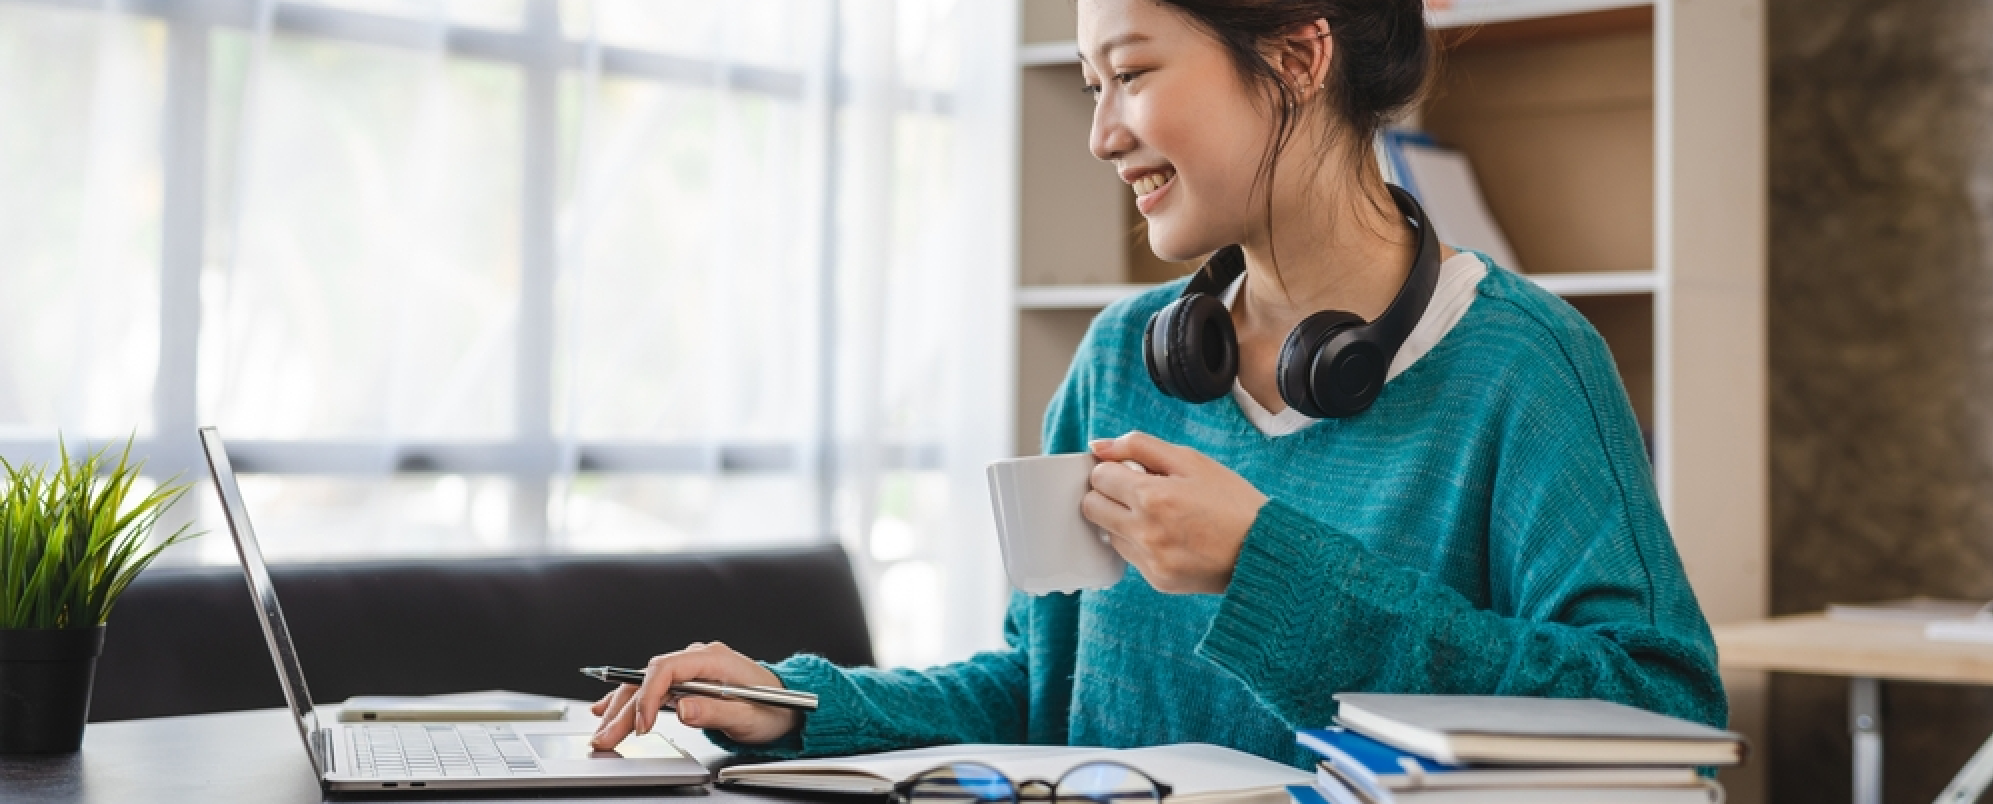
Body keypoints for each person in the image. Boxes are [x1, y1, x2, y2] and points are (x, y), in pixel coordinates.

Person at [589, 0, 1727, 766]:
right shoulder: (1116, 358)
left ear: (1294, 58)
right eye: (1088, 84)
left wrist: (1264, 567)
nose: (1098, 134)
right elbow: (1039, 692)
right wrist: (797, 704)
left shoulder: (1522, 364)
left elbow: (1654, 713)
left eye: (1128, 75)